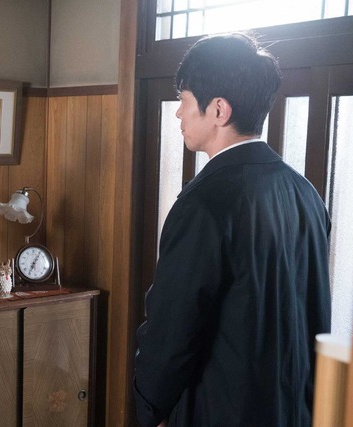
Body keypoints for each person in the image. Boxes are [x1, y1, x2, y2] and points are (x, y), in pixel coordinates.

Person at [132, 33, 331, 427]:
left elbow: (173, 328)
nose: (178, 113)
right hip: (295, 410)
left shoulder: (204, 203)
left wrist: (150, 407)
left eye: (184, 100)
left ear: (219, 110)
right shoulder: (305, 193)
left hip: (222, 410)